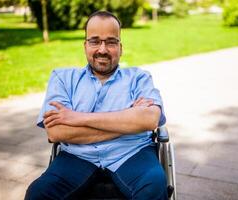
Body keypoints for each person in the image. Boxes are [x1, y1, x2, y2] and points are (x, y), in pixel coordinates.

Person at [25, 11, 168, 200]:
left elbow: (150, 119)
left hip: (133, 153)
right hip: (76, 156)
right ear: (85, 46)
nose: (103, 49)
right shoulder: (62, 78)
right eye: (94, 41)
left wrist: (77, 118)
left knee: (154, 186)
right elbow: (57, 132)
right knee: (38, 193)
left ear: (120, 47)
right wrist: (130, 121)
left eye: (111, 41)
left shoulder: (139, 78)